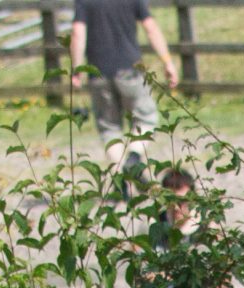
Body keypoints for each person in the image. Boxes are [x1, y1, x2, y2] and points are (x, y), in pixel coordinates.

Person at [69, 0, 180, 171]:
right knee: (145, 118)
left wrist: (77, 69)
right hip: (130, 69)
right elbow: (151, 29)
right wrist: (167, 62)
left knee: (109, 128)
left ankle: (121, 181)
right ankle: (134, 158)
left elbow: (78, 32)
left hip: (98, 72)